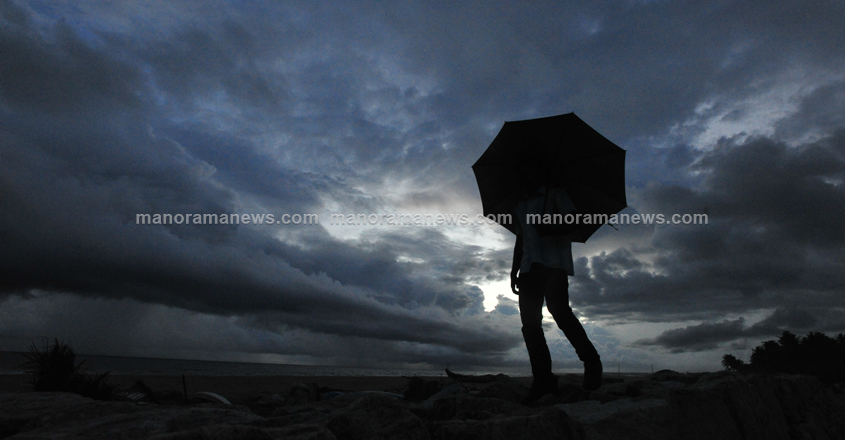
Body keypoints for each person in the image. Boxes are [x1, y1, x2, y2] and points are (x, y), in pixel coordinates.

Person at [511, 186, 602, 404]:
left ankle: (591, 361)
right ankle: (543, 380)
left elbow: (575, 221)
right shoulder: (519, 204)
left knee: (561, 314)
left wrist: (551, 229)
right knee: (530, 326)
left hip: (553, 264)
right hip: (528, 268)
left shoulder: (556, 194)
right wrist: (513, 269)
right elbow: (520, 238)